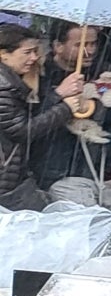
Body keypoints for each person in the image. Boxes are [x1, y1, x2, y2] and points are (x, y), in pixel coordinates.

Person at [34, 24, 111, 211]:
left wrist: (97, 105)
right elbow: (33, 122)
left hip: (103, 171)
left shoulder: (101, 74)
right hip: (62, 172)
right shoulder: (39, 75)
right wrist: (59, 95)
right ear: (58, 46)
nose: (89, 51)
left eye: (93, 44)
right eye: (80, 45)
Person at [0, 24, 78, 210]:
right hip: (7, 181)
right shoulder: (4, 87)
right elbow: (23, 130)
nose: (34, 58)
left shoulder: (12, 83)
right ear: (3, 54)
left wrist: (57, 97)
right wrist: (65, 109)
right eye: (27, 52)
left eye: (35, 51)